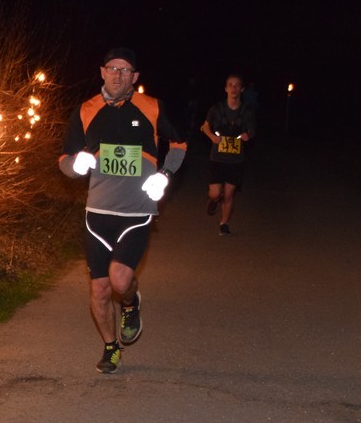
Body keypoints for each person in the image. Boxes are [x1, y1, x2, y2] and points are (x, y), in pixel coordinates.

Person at [59, 48, 187, 374]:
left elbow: (180, 144)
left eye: (125, 70)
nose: (118, 75)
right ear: (102, 72)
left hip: (136, 212)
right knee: (100, 289)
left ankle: (131, 301)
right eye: (113, 69)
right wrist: (75, 165)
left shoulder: (152, 107)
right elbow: (64, 159)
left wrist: (165, 175)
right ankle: (110, 346)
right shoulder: (86, 110)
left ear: (135, 77)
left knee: (119, 280)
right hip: (97, 213)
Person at [200, 73, 257, 235]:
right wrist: (212, 137)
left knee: (229, 195)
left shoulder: (247, 111)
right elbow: (205, 126)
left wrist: (248, 135)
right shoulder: (216, 109)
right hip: (217, 158)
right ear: (225, 88)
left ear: (242, 89)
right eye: (230, 85)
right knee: (215, 193)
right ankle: (214, 200)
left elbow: (252, 130)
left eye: (237, 85)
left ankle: (224, 223)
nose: (234, 88)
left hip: (236, 160)